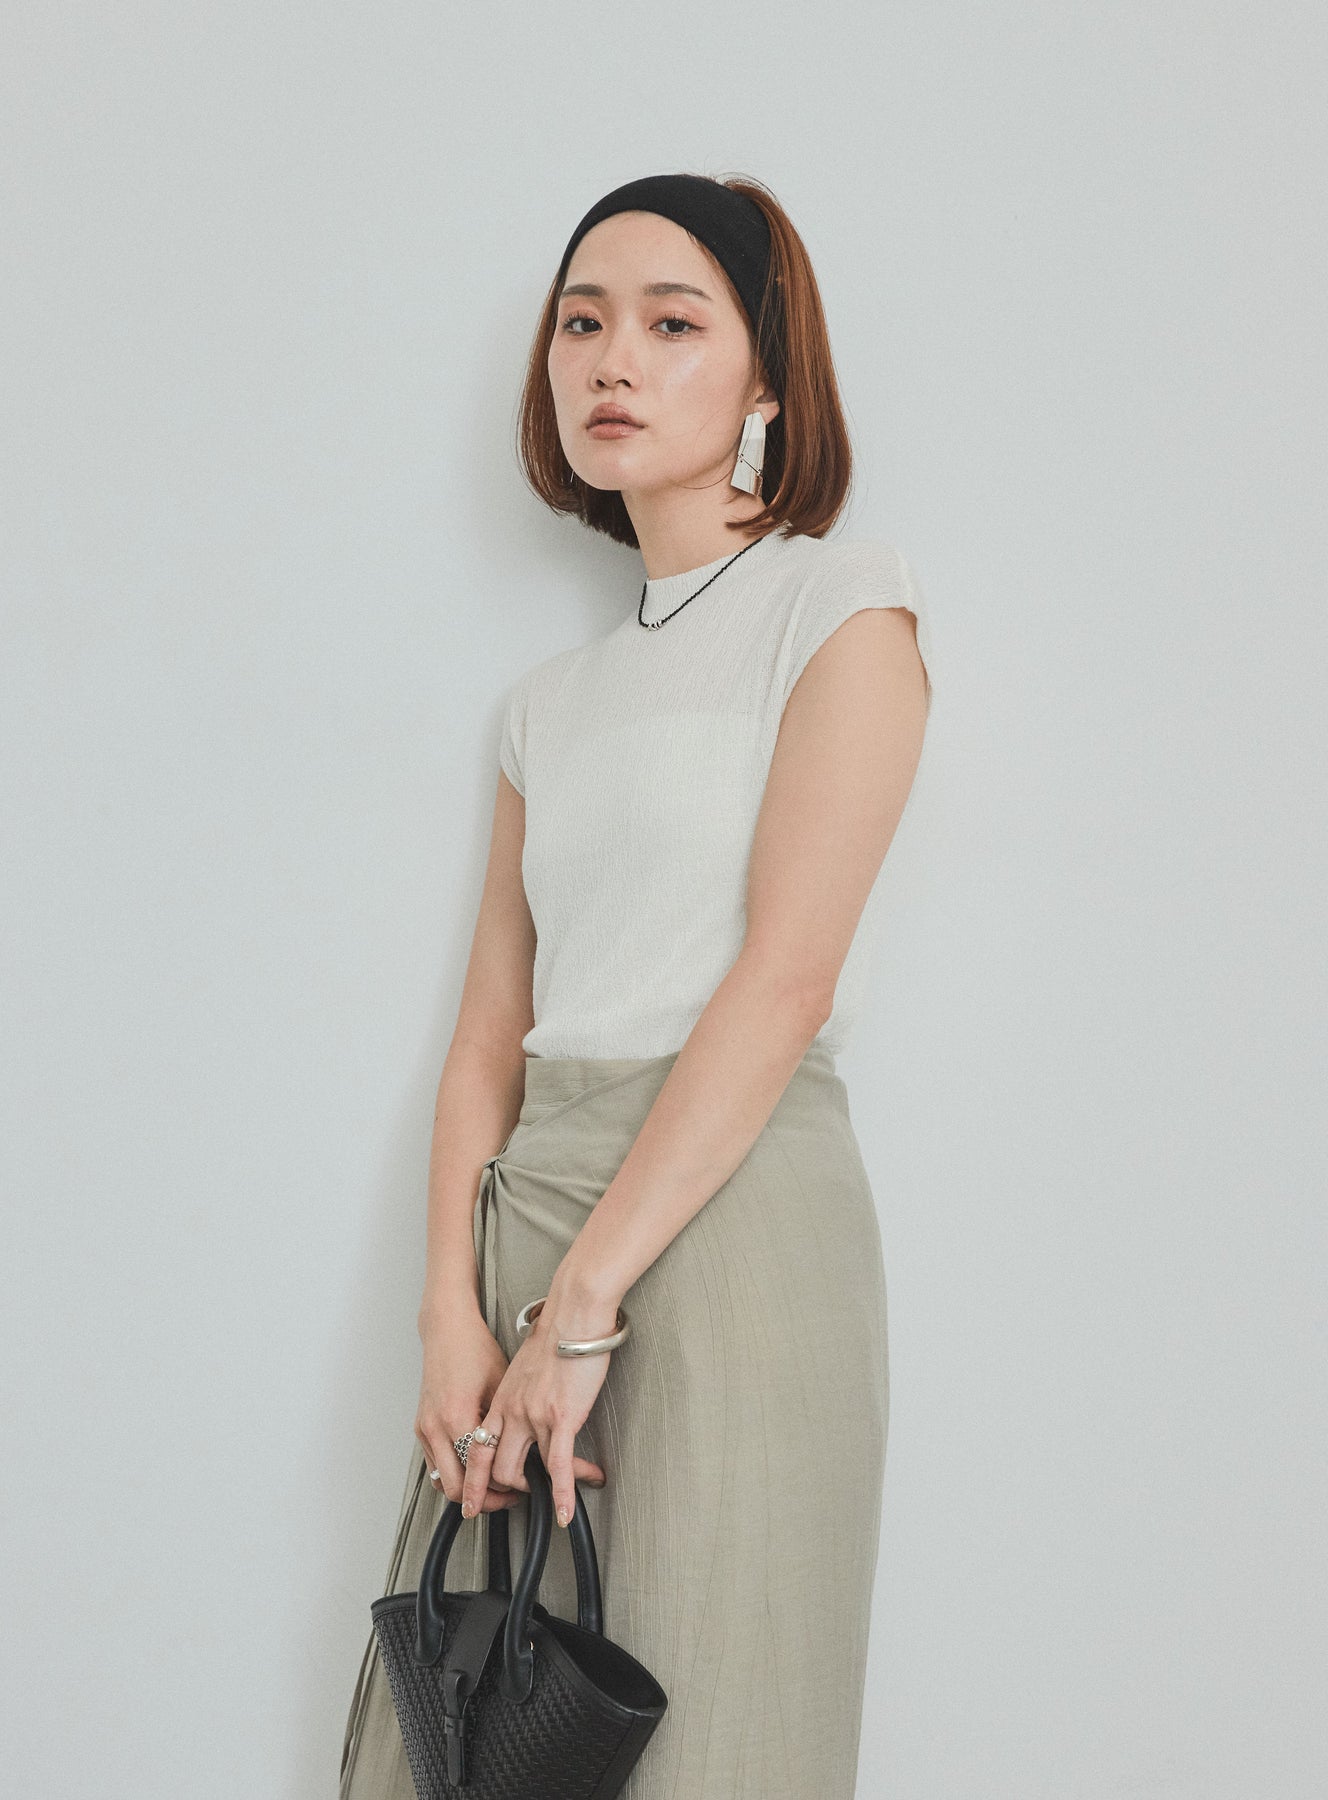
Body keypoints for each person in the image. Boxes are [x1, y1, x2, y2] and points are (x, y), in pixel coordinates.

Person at [339, 169, 934, 1800]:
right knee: (464, 1737)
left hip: (731, 1217)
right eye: (580, 323)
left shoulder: (840, 604)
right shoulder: (548, 703)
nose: (611, 359)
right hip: (528, 1221)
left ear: (765, 380)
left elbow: (784, 982)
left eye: (673, 325)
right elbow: (488, 1039)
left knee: (718, 1719)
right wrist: (449, 1313)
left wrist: (581, 1311)